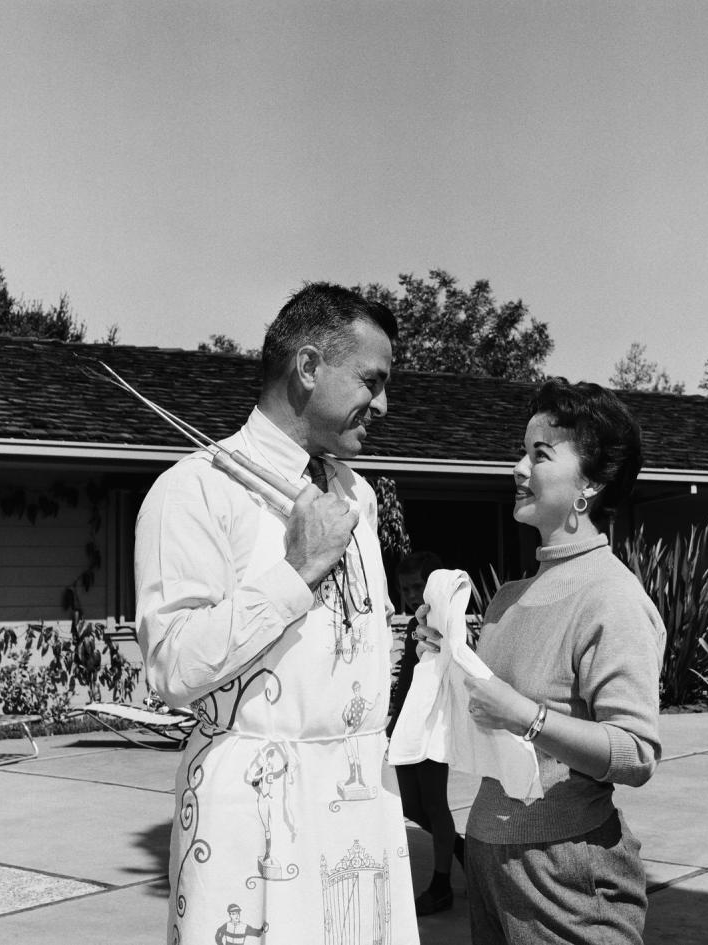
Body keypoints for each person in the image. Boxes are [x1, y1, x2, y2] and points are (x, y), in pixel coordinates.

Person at [135, 283, 419, 945]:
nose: (384, 404)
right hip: (252, 816)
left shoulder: (359, 495)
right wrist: (295, 572)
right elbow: (173, 667)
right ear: (310, 365)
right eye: (371, 380)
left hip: (358, 801)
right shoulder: (196, 489)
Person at [415, 378, 665, 945]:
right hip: (486, 854)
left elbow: (636, 753)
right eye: (521, 452)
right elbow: (481, 718)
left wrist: (525, 714)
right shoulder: (508, 596)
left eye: (539, 454)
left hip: (568, 874)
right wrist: (445, 657)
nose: (518, 469)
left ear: (592, 483)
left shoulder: (612, 597)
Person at [386, 550, 466, 915]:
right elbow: (407, 675)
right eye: (406, 588)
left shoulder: (444, 620)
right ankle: (461, 850)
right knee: (411, 805)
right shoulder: (415, 622)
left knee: (434, 802)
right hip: (406, 720)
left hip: (433, 721)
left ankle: (440, 885)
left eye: (419, 585)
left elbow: (453, 659)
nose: (413, 594)